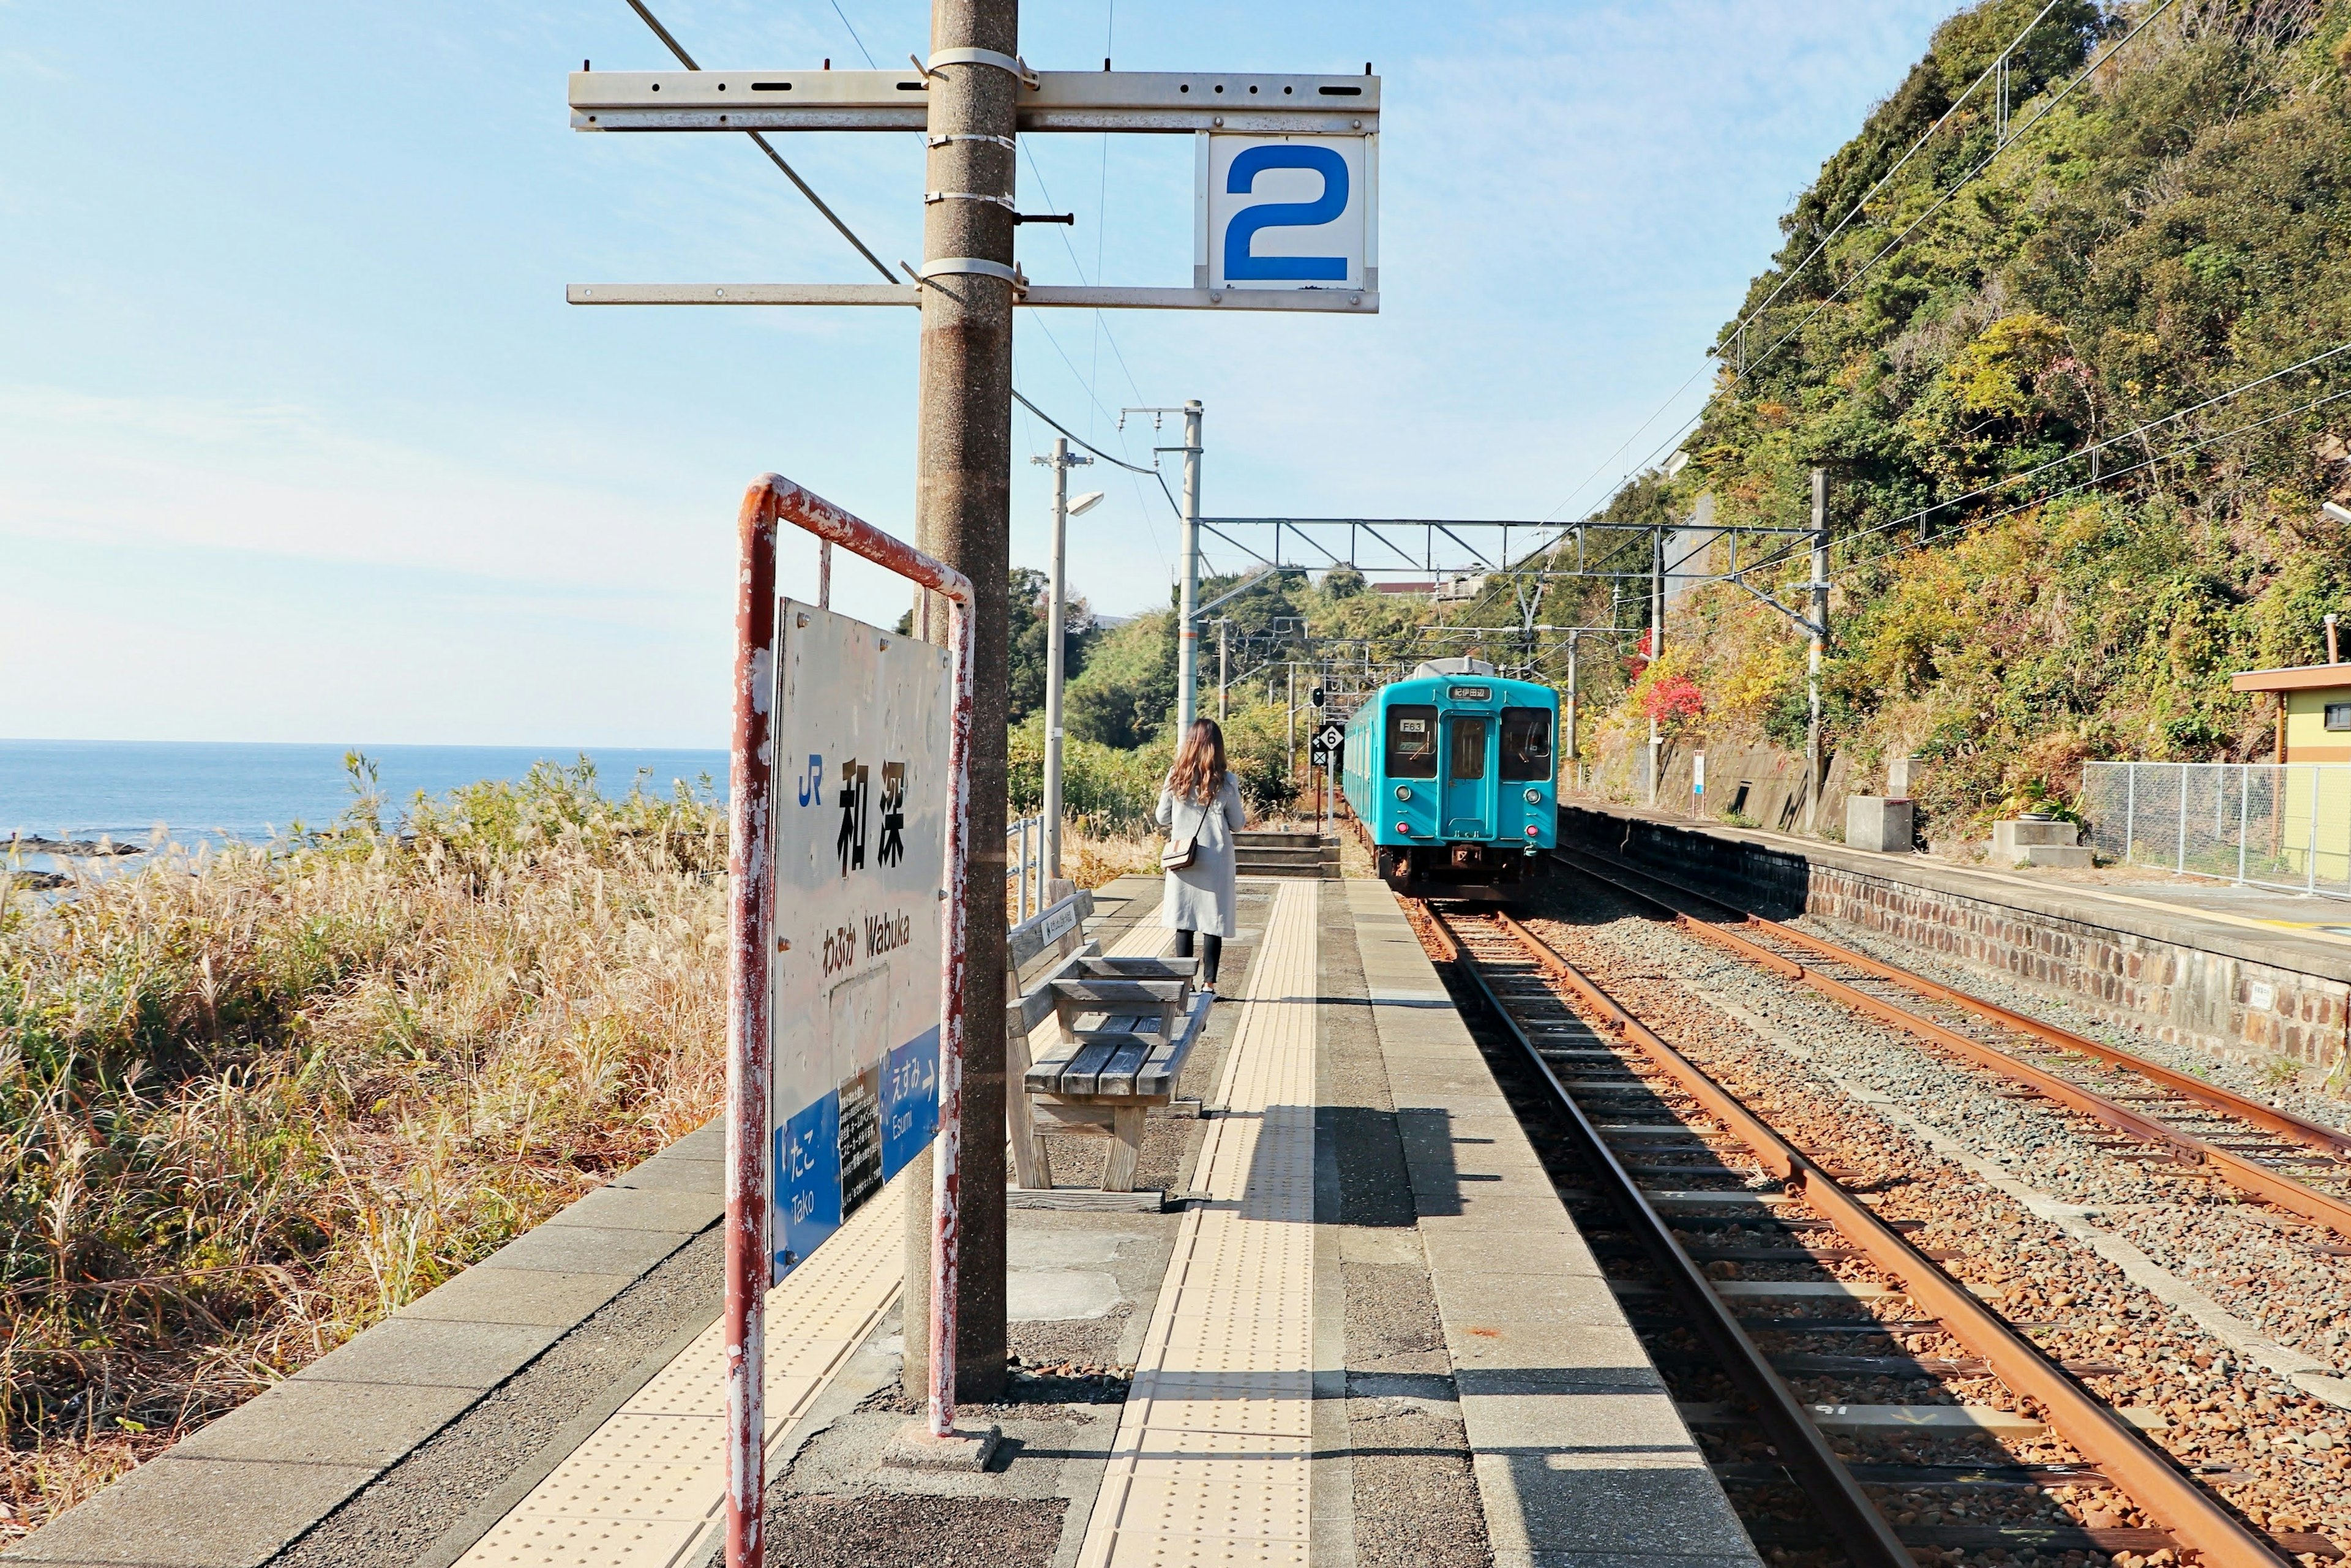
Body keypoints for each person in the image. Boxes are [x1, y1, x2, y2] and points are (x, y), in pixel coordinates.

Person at [1157, 718, 1246, 995]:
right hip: (1216, 858)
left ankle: (1185, 983)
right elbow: (1238, 824)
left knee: (1184, 921)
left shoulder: (1176, 775)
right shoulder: (1226, 780)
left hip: (1184, 858)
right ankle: (1209, 984)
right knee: (1212, 921)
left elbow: (1162, 818)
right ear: (1217, 747)